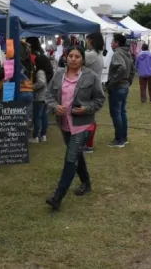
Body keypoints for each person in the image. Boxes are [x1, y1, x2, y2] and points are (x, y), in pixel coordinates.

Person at [44, 46, 106, 211]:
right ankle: (86, 183)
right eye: (70, 55)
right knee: (77, 153)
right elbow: (48, 94)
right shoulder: (58, 75)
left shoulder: (90, 77)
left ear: (82, 59)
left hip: (83, 124)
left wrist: (87, 108)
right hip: (64, 124)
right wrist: (54, 106)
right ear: (66, 57)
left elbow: (100, 98)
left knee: (71, 158)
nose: (73, 59)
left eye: (77, 56)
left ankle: (58, 197)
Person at [107, 33, 135, 148]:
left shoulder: (118, 53)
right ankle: (123, 137)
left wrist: (113, 81)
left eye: (112, 41)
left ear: (117, 43)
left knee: (116, 113)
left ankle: (119, 140)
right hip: (125, 86)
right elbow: (132, 69)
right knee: (122, 112)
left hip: (118, 86)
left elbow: (122, 68)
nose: (111, 43)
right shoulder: (127, 52)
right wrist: (129, 80)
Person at [84, 32, 105, 153]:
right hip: (94, 88)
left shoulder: (91, 54)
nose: (86, 43)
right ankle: (88, 144)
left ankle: (88, 145)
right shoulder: (98, 54)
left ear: (91, 41)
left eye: (87, 40)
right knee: (90, 118)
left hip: (89, 89)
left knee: (88, 119)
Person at [30, 52, 54, 143]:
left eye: (36, 62)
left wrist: (32, 87)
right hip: (46, 97)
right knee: (44, 116)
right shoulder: (48, 72)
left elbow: (41, 82)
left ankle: (36, 136)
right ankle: (43, 135)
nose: (34, 64)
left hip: (39, 97)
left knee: (37, 117)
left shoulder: (40, 72)